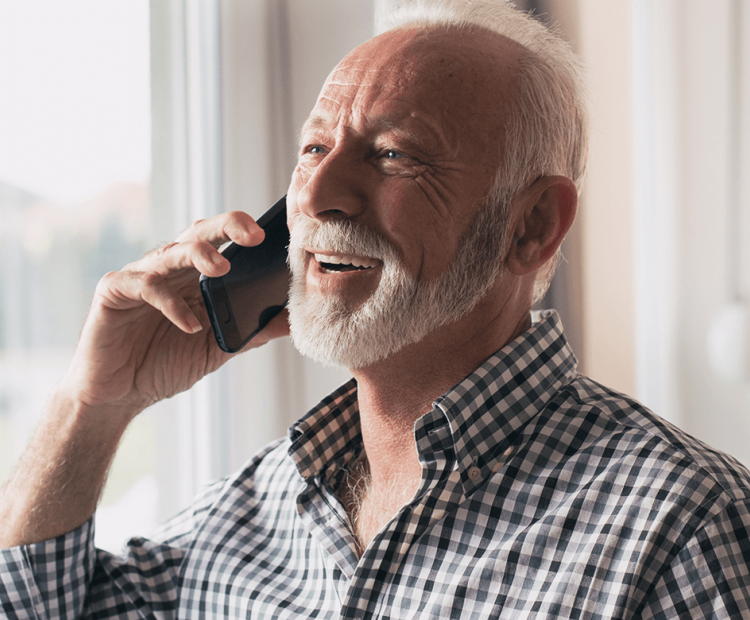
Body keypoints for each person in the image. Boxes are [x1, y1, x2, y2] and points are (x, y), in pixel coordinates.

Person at [2, 0, 750, 617]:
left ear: (531, 226)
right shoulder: (260, 506)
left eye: (394, 154)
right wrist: (93, 403)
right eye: (314, 149)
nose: (319, 198)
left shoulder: (684, 527)